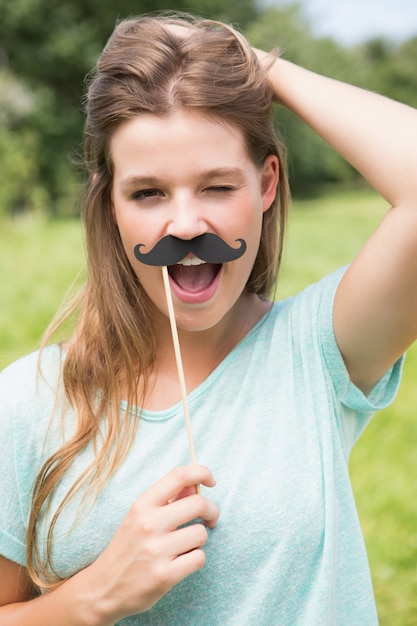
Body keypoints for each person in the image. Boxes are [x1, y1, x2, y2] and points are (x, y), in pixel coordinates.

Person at [0, 11, 416, 626]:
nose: (187, 225)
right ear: (109, 204)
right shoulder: (29, 402)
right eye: (148, 193)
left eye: (218, 187)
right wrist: (94, 599)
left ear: (266, 184)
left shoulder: (317, 353)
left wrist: (260, 66)